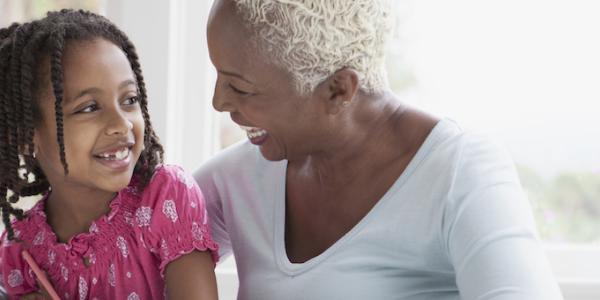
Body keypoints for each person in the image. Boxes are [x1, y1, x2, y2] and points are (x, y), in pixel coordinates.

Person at [194, 0, 564, 299]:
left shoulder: (459, 173)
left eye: (241, 88)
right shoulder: (234, 181)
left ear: (338, 90)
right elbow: (140, 244)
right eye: (218, 77)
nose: (218, 102)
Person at [0, 10, 219, 299]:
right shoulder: (20, 249)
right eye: (89, 107)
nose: (121, 124)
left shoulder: (165, 198)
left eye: (129, 100)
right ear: (26, 136)